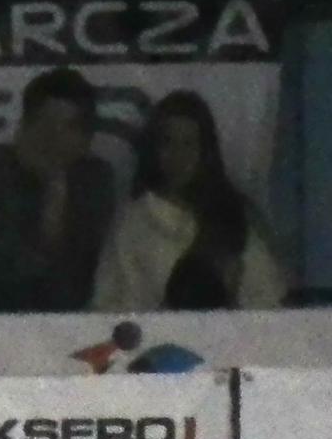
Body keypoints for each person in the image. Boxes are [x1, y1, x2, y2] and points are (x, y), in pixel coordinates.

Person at [0, 67, 116, 312]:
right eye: (46, 126)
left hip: (69, 322)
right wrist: (52, 194)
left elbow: (83, 275)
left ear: (86, 139)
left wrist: (57, 185)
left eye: (67, 128)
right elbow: (5, 276)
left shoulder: (94, 180)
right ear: (24, 126)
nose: (53, 139)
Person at [92, 89, 286, 311]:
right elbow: (109, 304)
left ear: (205, 151)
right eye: (168, 143)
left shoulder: (233, 215)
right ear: (154, 149)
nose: (178, 156)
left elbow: (268, 297)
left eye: (188, 144)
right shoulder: (132, 222)